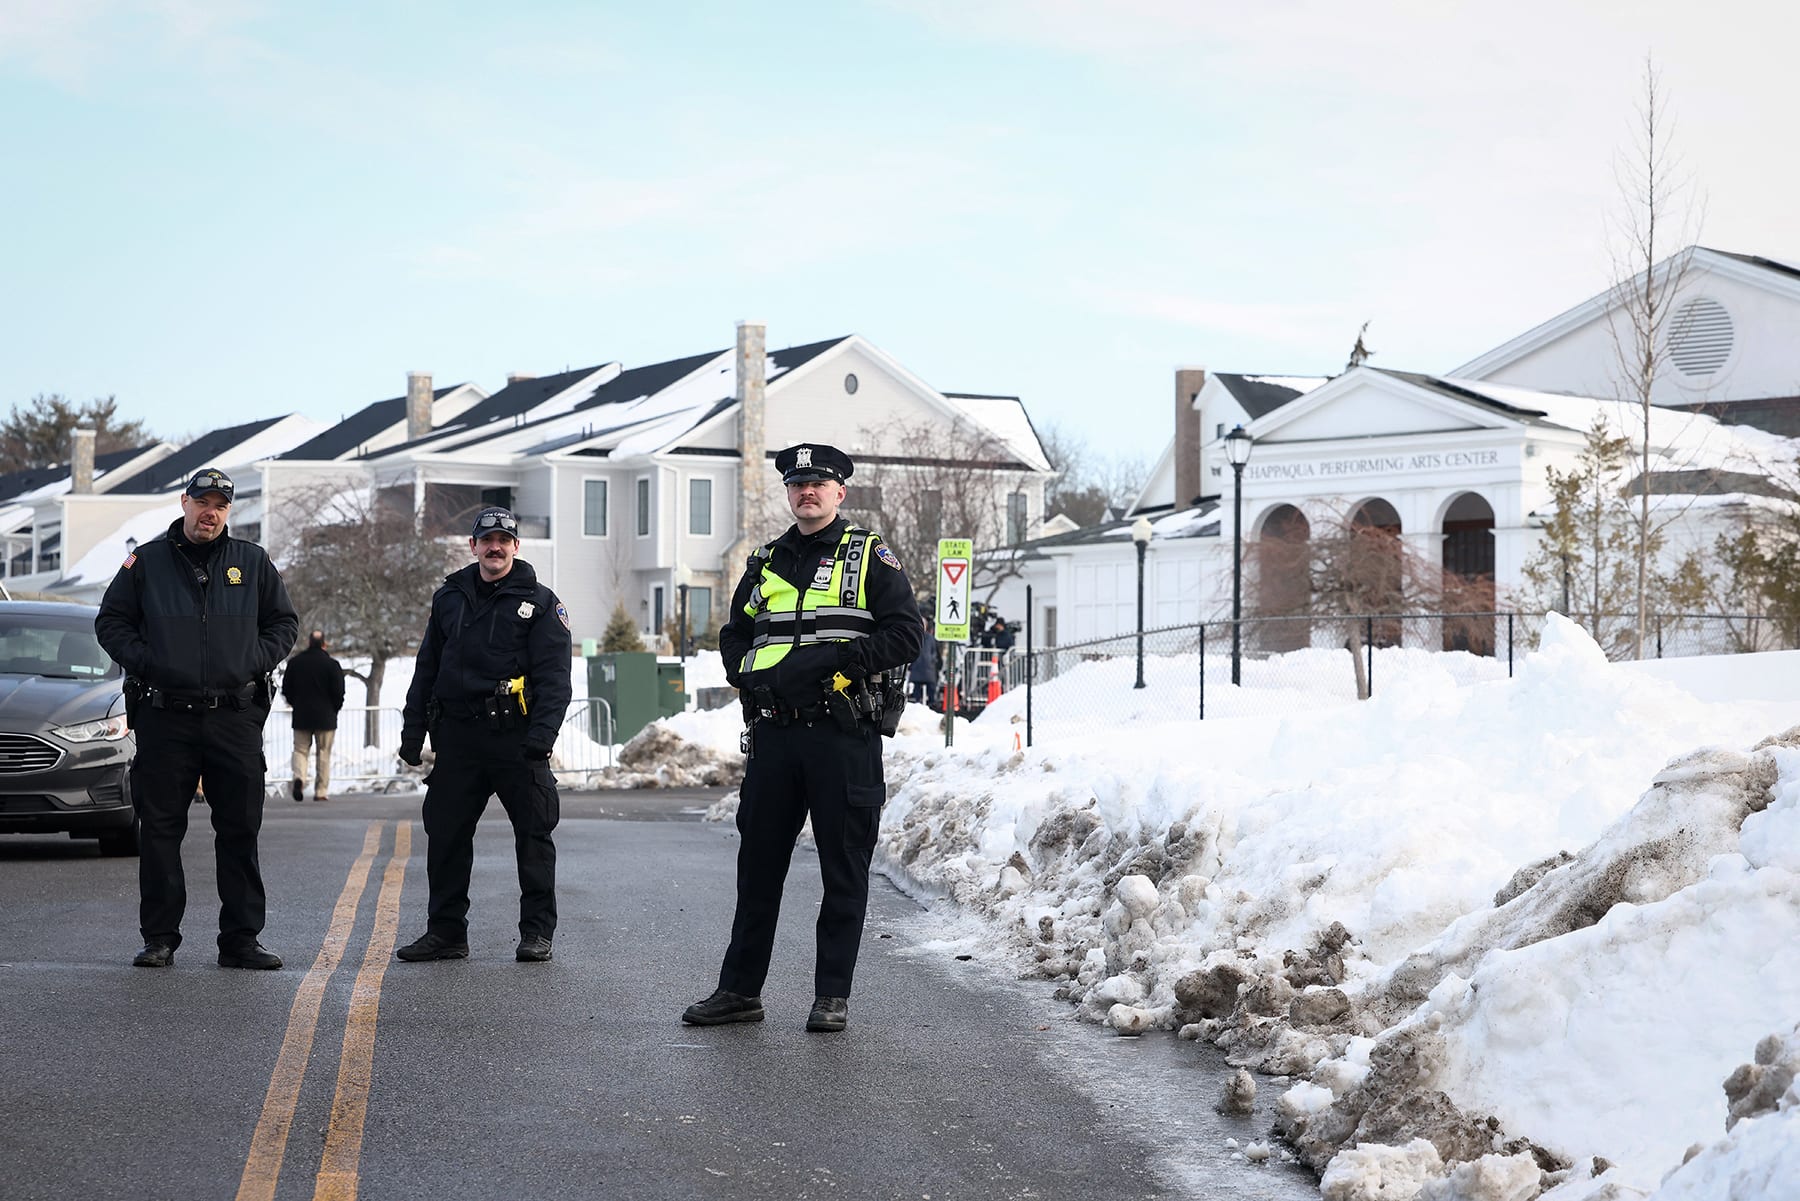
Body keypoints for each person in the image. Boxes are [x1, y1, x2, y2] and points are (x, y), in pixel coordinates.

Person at [684, 443, 922, 1033]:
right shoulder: (765, 560)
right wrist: (746, 672)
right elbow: (735, 633)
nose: (807, 492)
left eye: (819, 483)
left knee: (844, 869)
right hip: (774, 738)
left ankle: (831, 996)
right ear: (788, 493)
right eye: (797, 484)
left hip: (841, 736)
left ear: (841, 492)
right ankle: (740, 991)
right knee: (758, 869)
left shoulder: (867, 554)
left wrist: (842, 663)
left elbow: (905, 635)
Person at [96, 468, 299, 970]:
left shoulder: (251, 562)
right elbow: (111, 622)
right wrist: (150, 661)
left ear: (229, 511)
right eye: (202, 501)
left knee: (239, 830)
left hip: (234, 717)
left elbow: (284, 622)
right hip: (167, 718)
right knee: (161, 830)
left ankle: (240, 940)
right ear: (183, 502)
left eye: (221, 505)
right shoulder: (145, 561)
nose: (211, 512)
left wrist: (252, 659)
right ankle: (160, 937)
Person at [394, 507, 573, 964]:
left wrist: (542, 737)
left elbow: (555, 678)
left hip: (516, 741)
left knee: (534, 837)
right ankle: (446, 933)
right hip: (458, 739)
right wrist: (413, 730)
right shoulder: (449, 598)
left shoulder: (540, 602)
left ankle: (536, 933)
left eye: (504, 540)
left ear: (516, 547)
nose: (495, 547)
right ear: (472, 546)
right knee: (446, 837)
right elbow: (427, 667)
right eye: (486, 539)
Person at [281, 629, 345, 802]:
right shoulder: (332, 665)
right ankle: (321, 791)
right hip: (326, 717)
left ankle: (299, 778)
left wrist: (296, 703)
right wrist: (335, 708)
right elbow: (339, 692)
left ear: (309, 643)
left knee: (301, 750)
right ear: (324, 644)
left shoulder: (295, 663)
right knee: (324, 753)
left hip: (301, 715)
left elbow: (286, 689)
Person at [907, 617, 938, 706]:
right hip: (917, 665)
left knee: (931, 686)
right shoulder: (914, 636)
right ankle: (918, 703)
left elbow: (934, 651)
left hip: (928, 666)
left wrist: (931, 660)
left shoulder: (930, 638)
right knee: (917, 687)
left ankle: (931, 702)